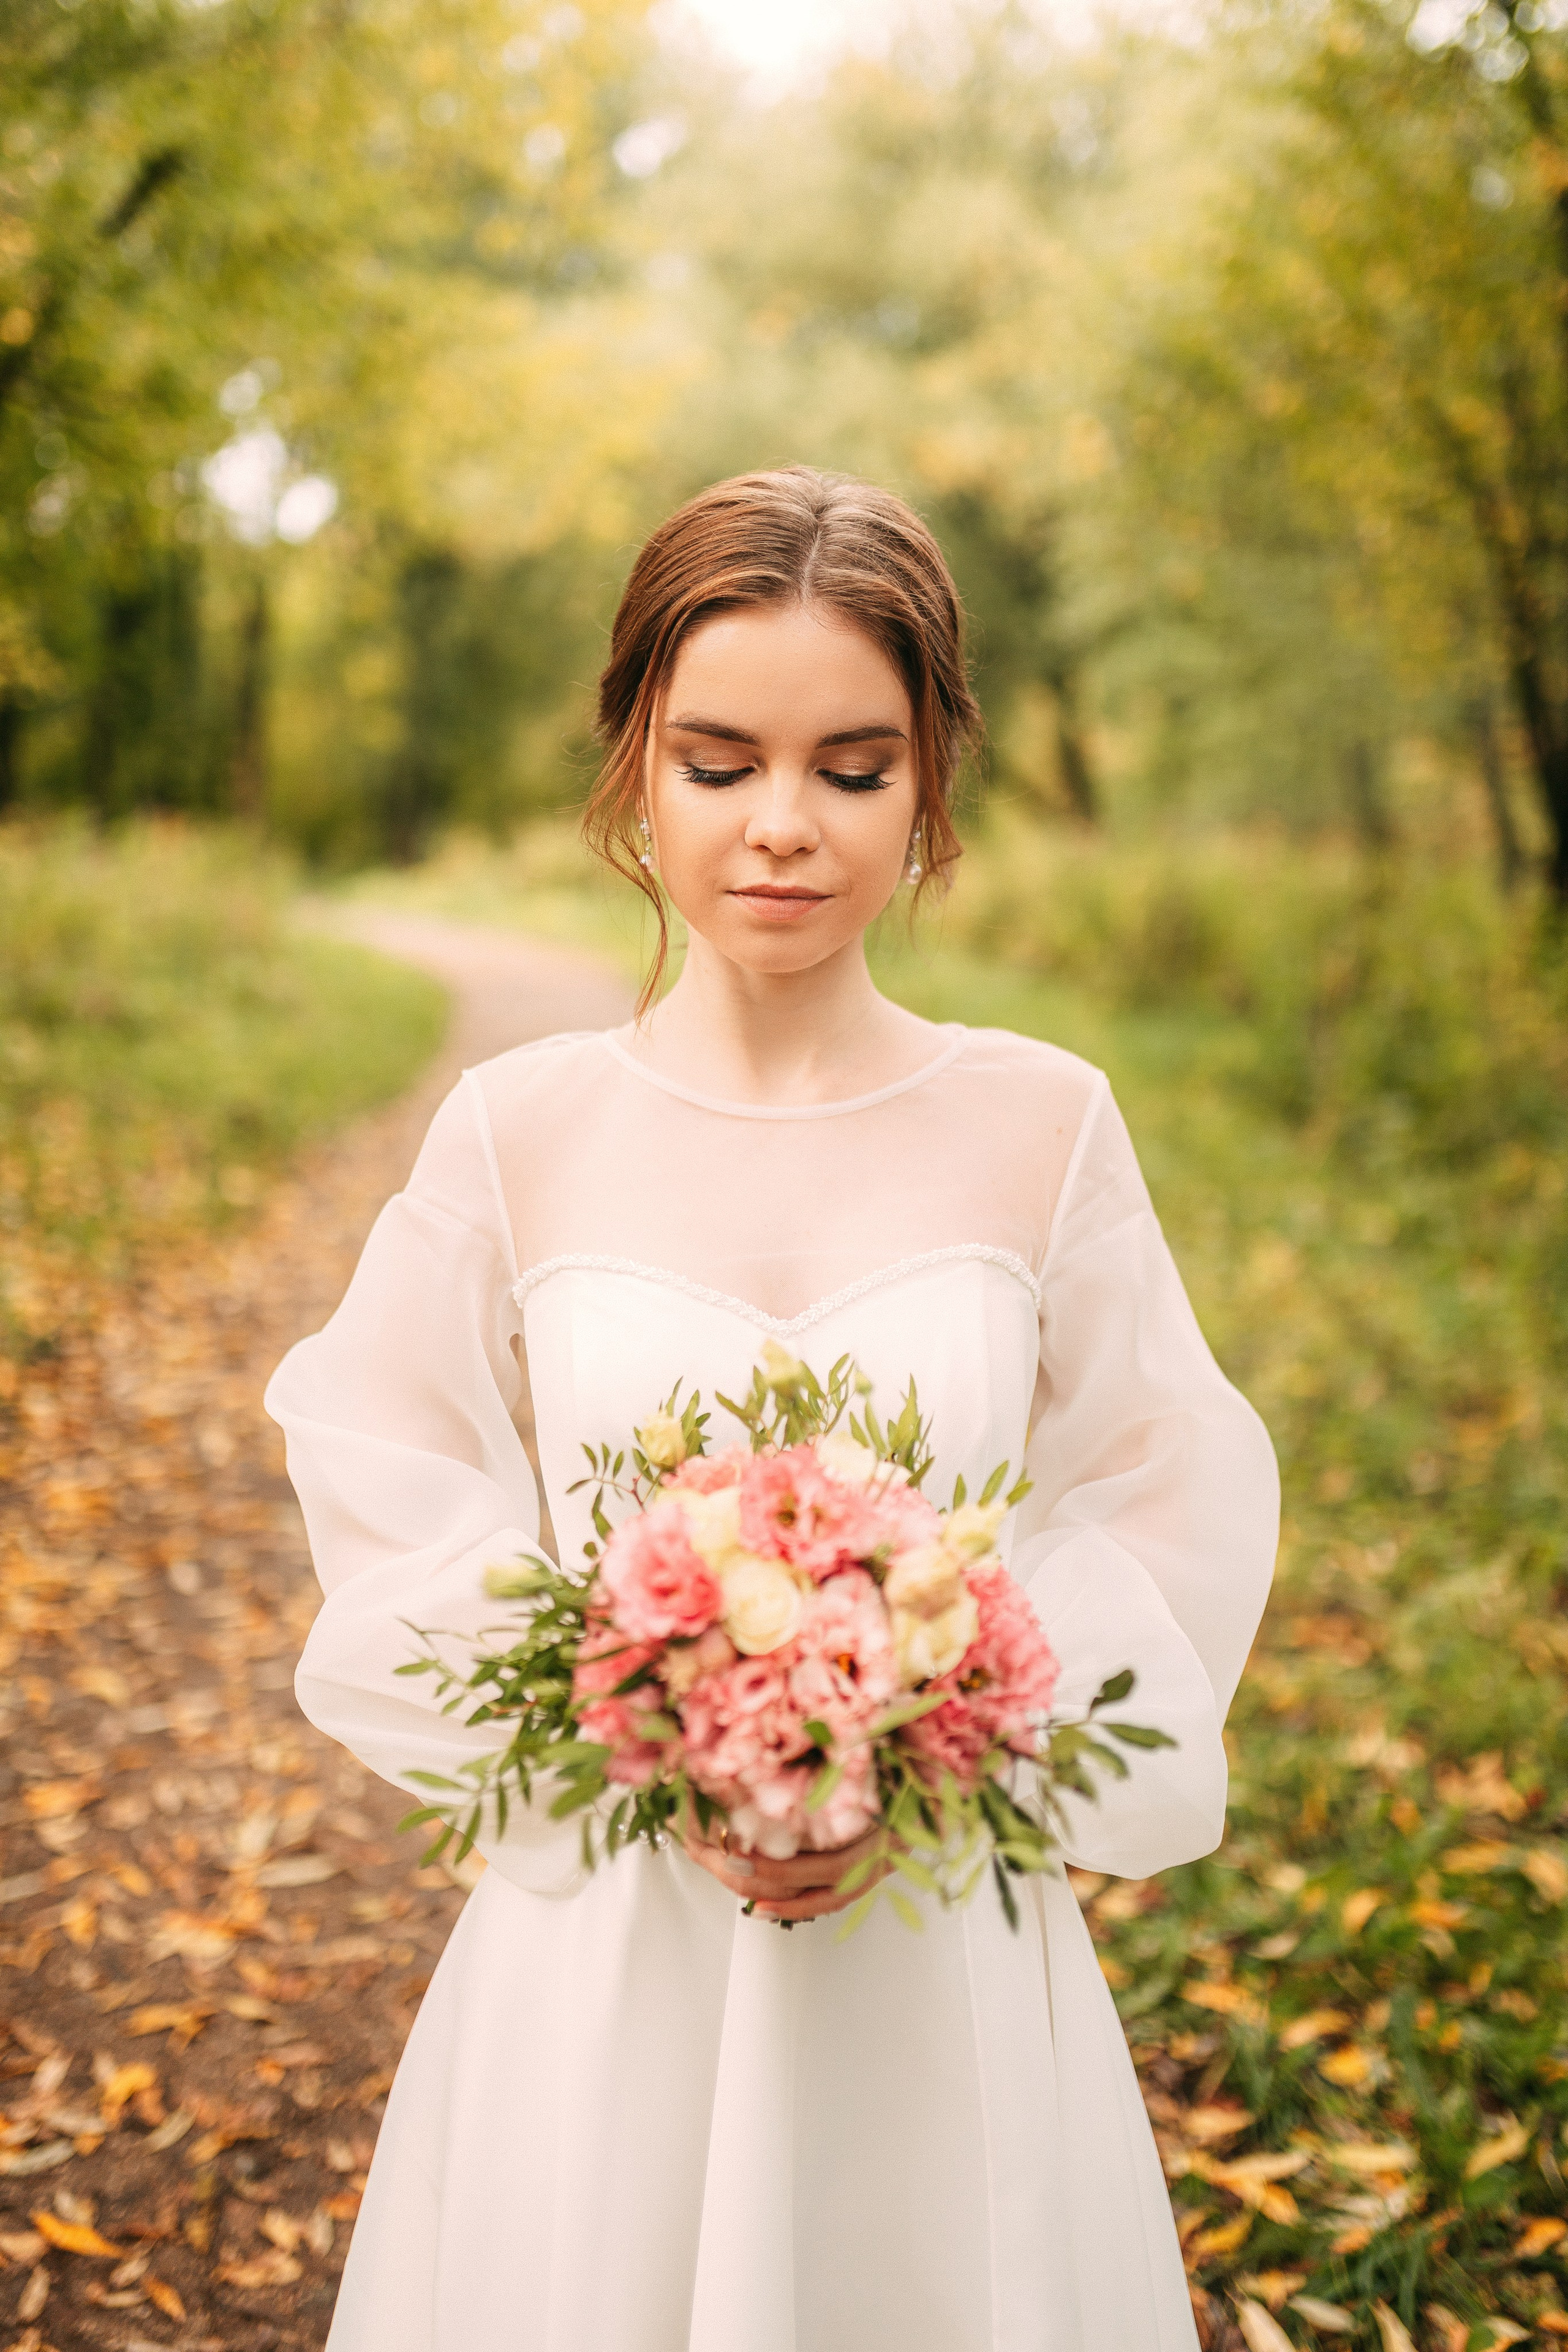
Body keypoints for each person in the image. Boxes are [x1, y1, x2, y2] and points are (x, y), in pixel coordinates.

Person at [266, 466, 1278, 2351]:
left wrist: (955, 1723)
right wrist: (633, 1716)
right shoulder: (520, 1130)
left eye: (854, 766)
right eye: (720, 762)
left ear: (933, 781)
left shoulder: (1043, 1120)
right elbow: (390, 1468)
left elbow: (1163, 1483)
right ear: (633, 767)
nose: (785, 829)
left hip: (934, 1940)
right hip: (613, 1942)